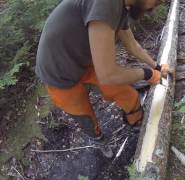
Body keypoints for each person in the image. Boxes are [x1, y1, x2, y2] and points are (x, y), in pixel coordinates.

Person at [35, 0, 169, 140]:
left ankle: (135, 122)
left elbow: (132, 45)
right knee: (85, 116)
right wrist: (148, 74)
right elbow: (108, 75)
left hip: (86, 62)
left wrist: (156, 66)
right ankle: (99, 139)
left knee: (129, 95)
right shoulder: (106, 3)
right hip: (58, 73)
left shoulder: (121, 7)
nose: (160, 2)